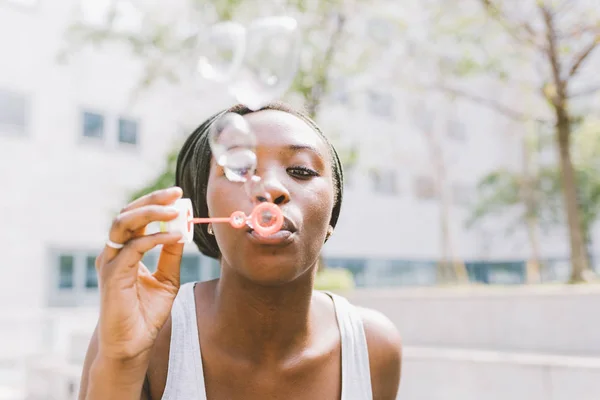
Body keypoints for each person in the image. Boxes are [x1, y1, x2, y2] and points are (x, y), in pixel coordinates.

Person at [78, 102, 402, 400]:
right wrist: (121, 362)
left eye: (301, 170)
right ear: (203, 212)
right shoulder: (142, 333)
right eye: (237, 170)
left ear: (331, 216)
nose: (270, 189)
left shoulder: (373, 346)